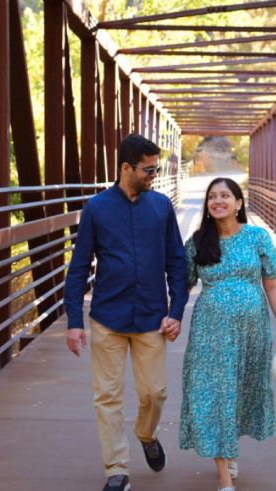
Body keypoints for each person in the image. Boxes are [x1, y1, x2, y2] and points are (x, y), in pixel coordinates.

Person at [64, 134, 188, 491]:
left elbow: (176, 262)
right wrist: (74, 321)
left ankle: (146, 434)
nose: (155, 174)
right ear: (126, 168)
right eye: (149, 169)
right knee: (108, 396)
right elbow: (79, 266)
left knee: (155, 393)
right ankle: (116, 469)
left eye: (157, 168)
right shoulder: (97, 208)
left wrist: (176, 310)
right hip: (107, 318)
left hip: (152, 317)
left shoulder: (161, 207)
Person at [179, 177, 276, 491]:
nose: (217, 201)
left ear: (238, 203)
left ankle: (228, 449)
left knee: (240, 392)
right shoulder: (197, 243)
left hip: (252, 332)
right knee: (215, 394)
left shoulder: (258, 238)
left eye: (224, 196)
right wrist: (170, 317)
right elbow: (182, 285)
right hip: (210, 333)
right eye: (212, 197)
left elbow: (272, 285)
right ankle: (223, 479)